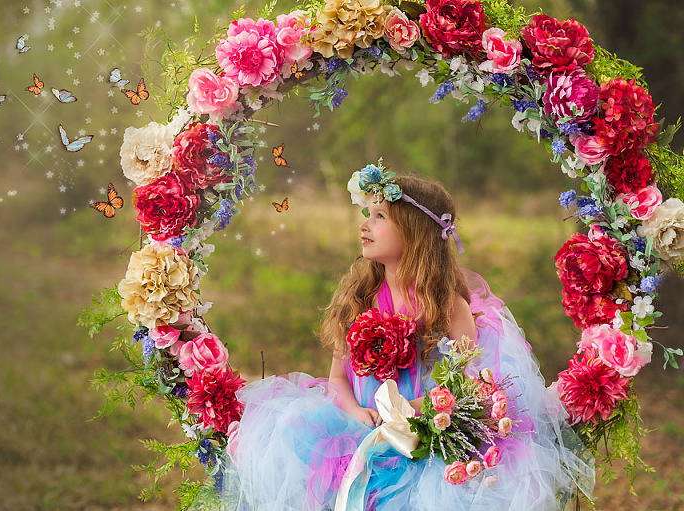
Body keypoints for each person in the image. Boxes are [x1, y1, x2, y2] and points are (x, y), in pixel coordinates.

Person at [219, 166, 594, 511]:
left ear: (414, 230)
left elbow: (471, 385)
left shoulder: (447, 306)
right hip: (356, 434)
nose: (365, 224)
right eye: (368, 214)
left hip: (425, 444)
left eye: (379, 216)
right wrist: (355, 411)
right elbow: (337, 377)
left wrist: (410, 410)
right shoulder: (359, 296)